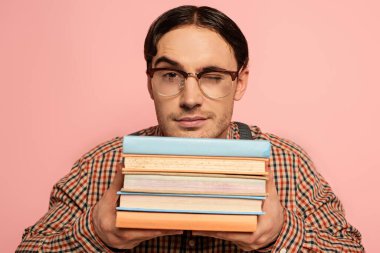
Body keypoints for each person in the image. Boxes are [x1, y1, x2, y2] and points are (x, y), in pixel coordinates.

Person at [17, 5, 364, 253]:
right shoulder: (100, 165)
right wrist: (95, 233)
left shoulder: (287, 164)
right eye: (171, 75)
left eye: (212, 77)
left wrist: (282, 235)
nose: (191, 99)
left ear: (240, 82)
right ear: (150, 82)